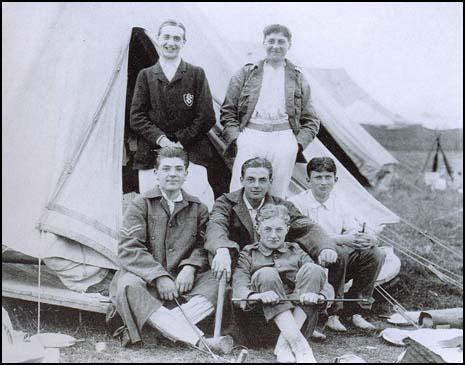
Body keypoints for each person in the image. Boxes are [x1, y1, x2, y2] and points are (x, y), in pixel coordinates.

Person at [109, 147, 228, 348]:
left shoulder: (199, 208)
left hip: (184, 279)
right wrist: (160, 277)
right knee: (127, 286)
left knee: (219, 282)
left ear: (186, 174)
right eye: (166, 168)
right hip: (145, 277)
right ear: (156, 173)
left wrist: (190, 267)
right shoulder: (140, 204)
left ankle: (164, 326)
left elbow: (202, 244)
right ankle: (197, 340)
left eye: (178, 169)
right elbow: (130, 248)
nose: (172, 174)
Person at [130, 19, 225, 210]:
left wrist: (181, 141)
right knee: (153, 206)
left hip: (191, 149)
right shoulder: (146, 75)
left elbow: (206, 116)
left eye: (176, 38)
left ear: (183, 42)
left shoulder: (196, 74)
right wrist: (161, 140)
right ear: (158, 39)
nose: (170, 42)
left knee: (196, 202)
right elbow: (137, 116)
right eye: (166, 37)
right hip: (152, 150)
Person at [220, 24, 321, 198]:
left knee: (277, 192)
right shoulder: (246, 73)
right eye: (271, 41)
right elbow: (228, 111)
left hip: (283, 138)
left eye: (281, 41)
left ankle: (271, 224)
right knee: (240, 188)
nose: (276, 46)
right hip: (251, 134)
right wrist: (238, 139)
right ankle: (237, 224)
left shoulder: (298, 77)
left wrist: (296, 145)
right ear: (263, 43)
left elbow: (311, 119)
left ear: (289, 45)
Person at [288, 157, 386, 331]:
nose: (323, 183)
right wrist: (341, 240)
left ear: (335, 180)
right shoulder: (296, 203)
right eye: (318, 177)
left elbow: (352, 228)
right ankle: (331, 313)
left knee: (375, 253)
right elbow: (300, 240)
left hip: (335, 254)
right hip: (307, 257)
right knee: (338, 253)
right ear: (308, 180)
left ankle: (356, 310)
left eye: (328, 177)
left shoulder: (339, 201)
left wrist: (366, 238)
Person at [233, 204, 333, 363]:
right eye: (268, 229)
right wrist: (257, 295)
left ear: (287, 229)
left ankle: (285, 345)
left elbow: (326, 286)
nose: (273, 235)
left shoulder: (296, 250)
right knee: (266, 273)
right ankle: (299, 346)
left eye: (279, 230)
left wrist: (319, 295)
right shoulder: (248, 253)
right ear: (258, 228)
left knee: (313, 269)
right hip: (263, 324)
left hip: (301, 322)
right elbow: (239, 288)